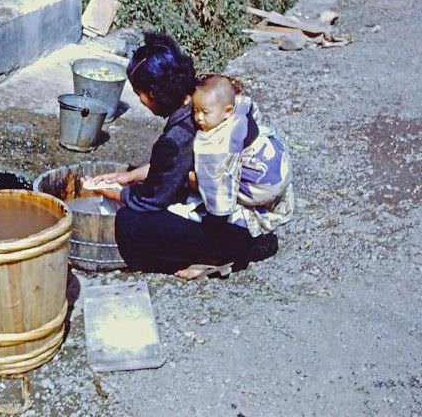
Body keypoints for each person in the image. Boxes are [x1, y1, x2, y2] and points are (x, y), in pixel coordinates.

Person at [87, 33, 283, 280]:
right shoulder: (205, 102)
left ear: (154, 92)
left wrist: (112, 190)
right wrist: (127, 176)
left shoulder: (178, 136)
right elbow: (172, 168)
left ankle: (220, 255)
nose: (141, 101)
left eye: (140, 94)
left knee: (130, 221)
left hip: (237, 229)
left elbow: (150, 200)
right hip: (256, 208)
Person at [191, 74, 294, 246]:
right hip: (278, 166)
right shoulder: (241, 104)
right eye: (195, 111)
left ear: (227, 111)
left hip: (260, 188)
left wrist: (215, 221)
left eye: (205, 112)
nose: (199, 118)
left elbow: (216, 187)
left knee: (199, 185)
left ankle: (242, 227)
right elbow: (254, 113)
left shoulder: (217, 146)